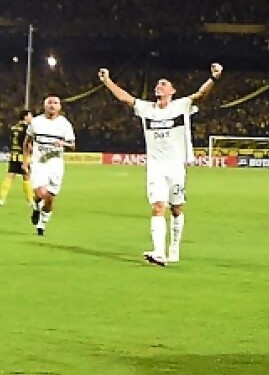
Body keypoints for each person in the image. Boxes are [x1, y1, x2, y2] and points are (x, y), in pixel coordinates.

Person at [98, 63, 223, 266]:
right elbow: (125, 98)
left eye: (163, 84)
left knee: (176, 208)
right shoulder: (146, 109)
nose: (159, 86)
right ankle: (158, 252)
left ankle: (174, 247)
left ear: (172, 91)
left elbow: (200, 95)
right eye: (157, 84)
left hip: (176, 166)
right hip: (156, 167)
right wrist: (107, 81)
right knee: (158, 206)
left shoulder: (181, 106)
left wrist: (214, 78)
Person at [24, 96, 76, 236]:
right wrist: (25, 160)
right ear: (44, 106)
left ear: (60, 107)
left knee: (50, 199)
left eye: (55, 103)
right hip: (39, 163)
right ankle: (37, 205)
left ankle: (42, 223)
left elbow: (72, 145)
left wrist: (63, 143)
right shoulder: (36, 122)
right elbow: (27, 141)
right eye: (49, 103)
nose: (52, 105)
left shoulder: (64, 124)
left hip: (56, 164)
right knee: (41, 193)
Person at [0, 110, 33, 206]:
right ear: (25, 117)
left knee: (10, 177)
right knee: (27, 177)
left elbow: (10, 141)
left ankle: (2, 199)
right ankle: (30, 200)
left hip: (14, 155)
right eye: (30, 115)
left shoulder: (13, 127)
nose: (32, 118)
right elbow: (27, 144)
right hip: (23, 156)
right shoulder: (27, 128)